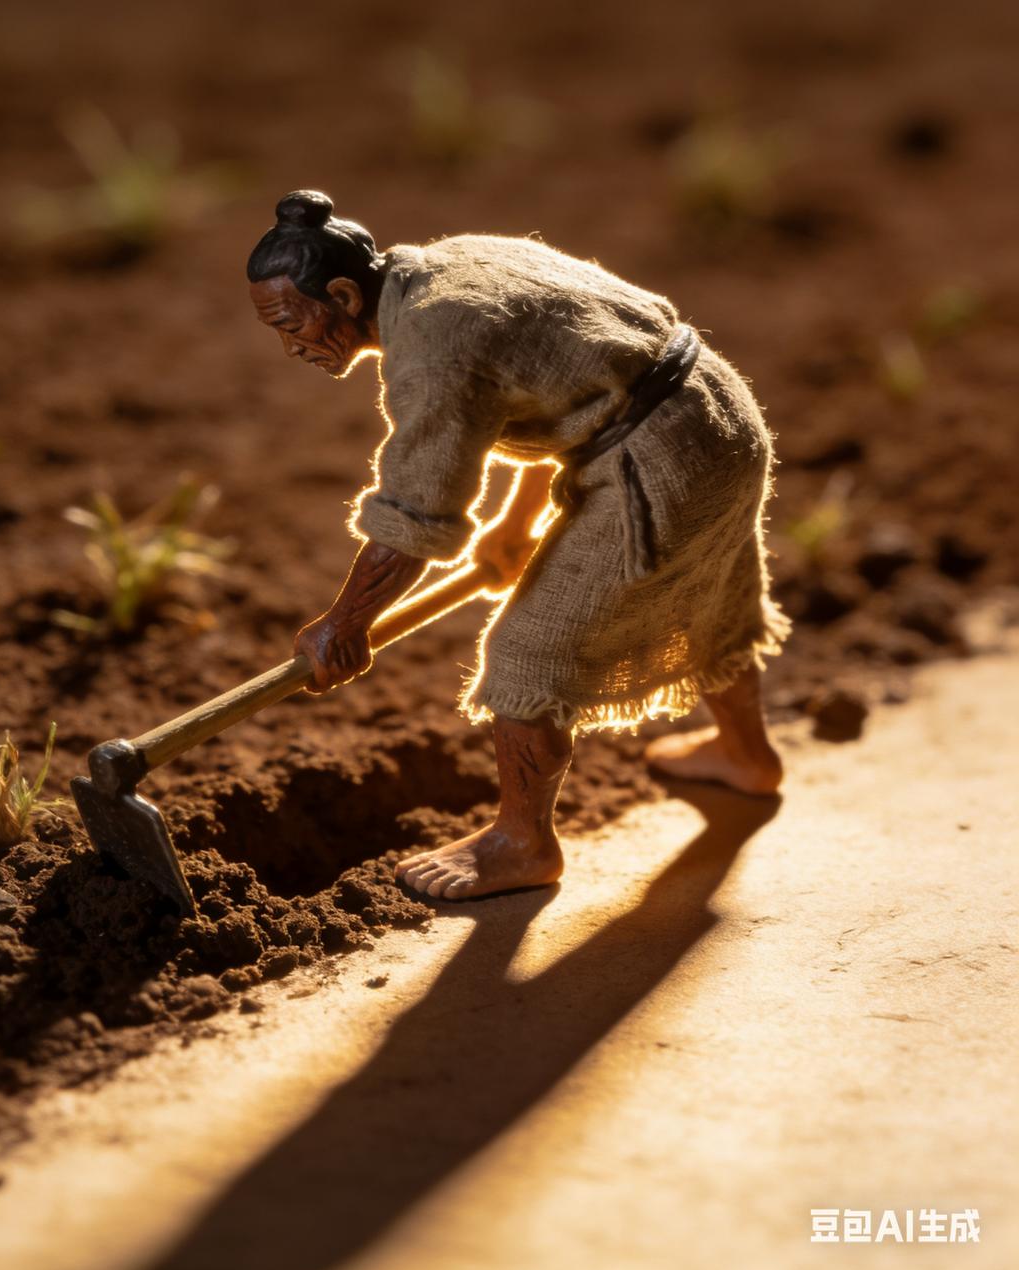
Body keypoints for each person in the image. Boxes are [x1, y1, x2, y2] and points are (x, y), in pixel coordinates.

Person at [248, 190, 790, 902]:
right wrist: (512, 526)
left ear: (344, 294)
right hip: (715, 413)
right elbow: (553, 385)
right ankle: (747, 756)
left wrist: (345, 623)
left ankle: (522, 843)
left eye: (293, 324)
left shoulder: (430, 353)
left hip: (658, 461)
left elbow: (413, 512)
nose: (292, 346)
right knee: (709, 601)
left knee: (528, 655)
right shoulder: (450, 263)